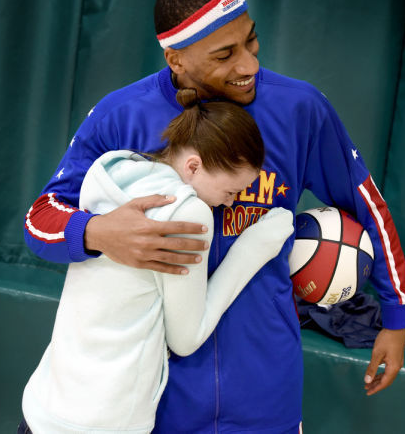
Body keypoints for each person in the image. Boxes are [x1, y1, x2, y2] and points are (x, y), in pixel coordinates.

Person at [24, 0, 405, 433]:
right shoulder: (122, 115)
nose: (248, 65)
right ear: (176, 59)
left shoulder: (298, 109)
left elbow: (368, 203)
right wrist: (95, 232)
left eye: (252, 43)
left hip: (265, 387)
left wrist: (396, 315)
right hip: (157, 397)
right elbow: (41, 218)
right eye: (225, 54)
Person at [21, 88, 294, 433]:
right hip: (105, 422)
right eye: (229, 191)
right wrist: (254, 247)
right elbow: (187, 337)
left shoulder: (111, 172)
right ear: (193, 165)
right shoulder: (188, 212)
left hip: (45, 405)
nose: (229, 204)